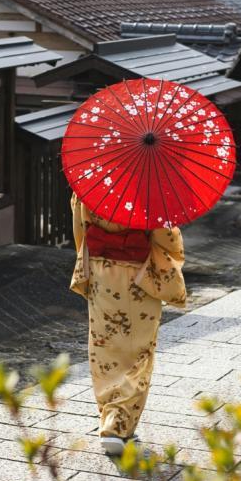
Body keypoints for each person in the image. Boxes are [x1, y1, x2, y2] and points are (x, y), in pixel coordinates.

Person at [70, 193, 186, 455]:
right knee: (138, 352)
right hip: (139, 275)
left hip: (101, 273)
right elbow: (167, 236)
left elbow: (80, 228)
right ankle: (119, 426)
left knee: (105, 348)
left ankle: (109, 417)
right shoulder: (149, 187)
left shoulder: (90, 184)